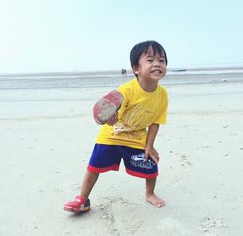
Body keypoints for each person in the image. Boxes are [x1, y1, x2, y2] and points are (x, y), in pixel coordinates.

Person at [64, 40, 169, 213]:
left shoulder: (162, 95)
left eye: (162, 60)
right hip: (112, 134)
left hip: (137, 136)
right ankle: (82, 199)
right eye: (150, 60)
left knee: (150, 165)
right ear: (136, 68)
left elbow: (156, 122)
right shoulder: (126, 90)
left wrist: (149, 146)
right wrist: (109, 119)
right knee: (94, 166)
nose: (157, 64)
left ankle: (150, 193)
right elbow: (113, 117)